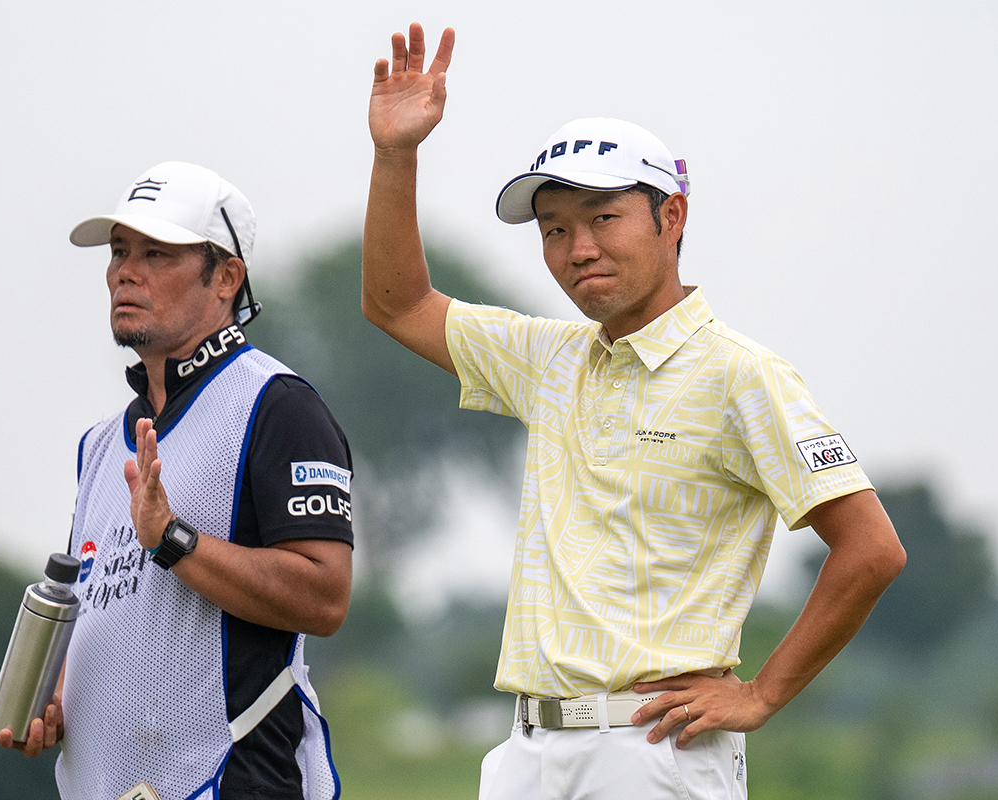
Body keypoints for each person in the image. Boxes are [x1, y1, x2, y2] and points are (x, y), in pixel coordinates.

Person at [361, 23, 906, 800]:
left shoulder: (742, 374)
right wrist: (395, 154)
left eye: (603, 218)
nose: (577, 247)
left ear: (671, 216)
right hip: (526, 749)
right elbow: (396, 302)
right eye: (554, 229)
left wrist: (763, 694)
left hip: (653, 751)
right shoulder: (550, 359)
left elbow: (871, 550)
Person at [0, 161, 353, 800]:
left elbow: (324, 597)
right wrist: (58, 701)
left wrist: (172, 539)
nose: (126, 270)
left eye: (157, 253)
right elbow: (118, 614)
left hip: (235, 783)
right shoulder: (99, 446)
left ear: (226, 277)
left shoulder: (278, 403)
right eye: (120, 251)